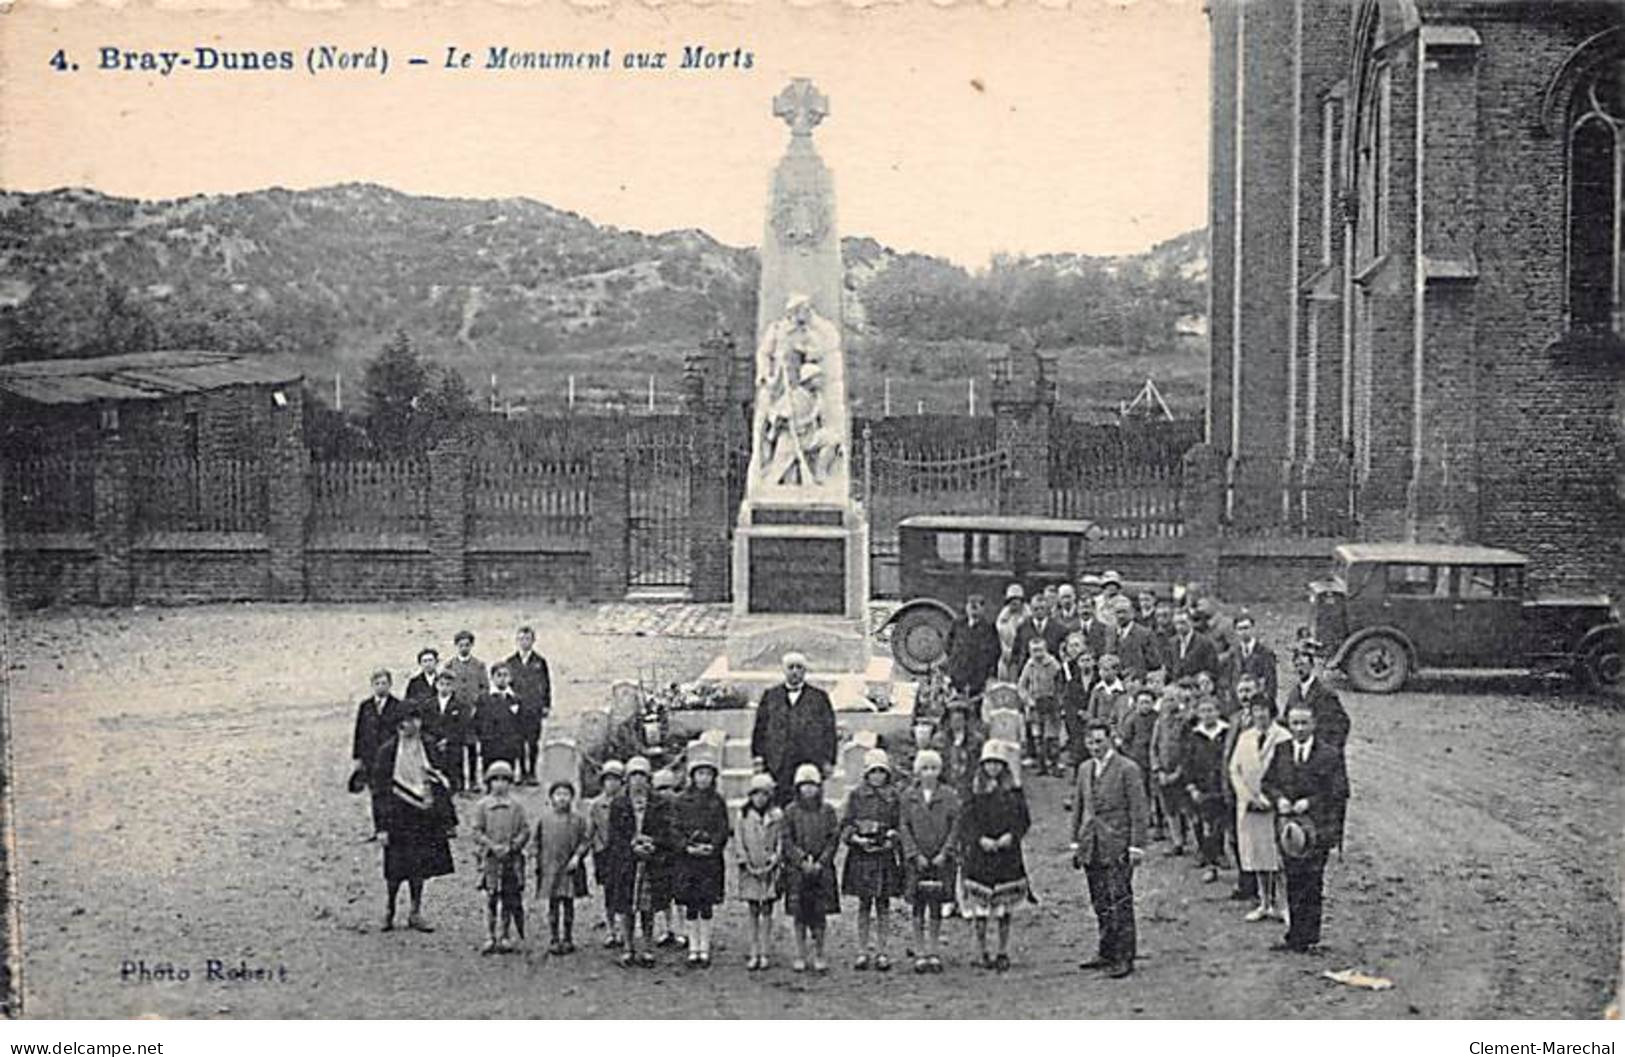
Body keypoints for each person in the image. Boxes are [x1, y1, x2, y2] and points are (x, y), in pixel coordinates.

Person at [1262, 706, 1349, 953]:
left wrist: (1310, 802)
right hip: (1288, 828)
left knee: (1312, 881)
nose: (1299, 728)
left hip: (1317, 827)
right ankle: (1294, 935)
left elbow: (1339, 791)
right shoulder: (1282, 751)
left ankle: (1310, 936)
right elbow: (1268, 783)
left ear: (1314, 725)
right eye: (1295, 723)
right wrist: (1278, 799)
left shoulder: (1329, 755)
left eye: (1304, 723)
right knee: (1292, 879)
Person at [1071, 719, 1149, 979]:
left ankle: (1125, 956)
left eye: (1100, 741)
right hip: (1091, 843)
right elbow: (1079, 807)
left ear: (1111, 739)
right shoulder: (1084, 769)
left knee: (1120, 900)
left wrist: (1137, 845)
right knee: (1099, 900)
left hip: (1118, 843)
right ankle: (1106, 950)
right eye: (1091, 742)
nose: (1095, 747)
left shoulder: (1128, 769)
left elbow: (1139, 810)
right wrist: (1075, 840)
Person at [372, 703, 455, 933]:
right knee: (395, 869)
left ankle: (415, 911)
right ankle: (389, 909)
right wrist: (381, 827)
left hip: (423, 815)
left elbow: (441, 776)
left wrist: (446, 816)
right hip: (397, 816)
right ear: (400, 723)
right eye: (409, 720)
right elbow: (379, 791)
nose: (414, 725)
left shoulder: (427, 745)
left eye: (417, 720)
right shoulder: (388, 751)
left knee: (420, 866)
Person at [959, 740, 1031, 972]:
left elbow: (1023, 819)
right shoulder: (974, 792)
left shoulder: (1014, 792)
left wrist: (1012, 836)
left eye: (997, 764)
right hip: (981, 855)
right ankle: (981, 949)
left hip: (1006, 855)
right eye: (989, 764)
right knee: (980, 909)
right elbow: (966, 821)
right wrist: (979, 839)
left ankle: (1002, 949)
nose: (993, 768)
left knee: (1003, 909)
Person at [1228, 682, 1291, 923]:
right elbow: (1235, 770)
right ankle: (1264, 902)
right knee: (1258, 857)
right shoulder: (1245, 737)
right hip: (1251, 805)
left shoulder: (1283, 737)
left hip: (1275, 806)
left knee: (1279, 859)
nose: (1260, 715)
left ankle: (1283, 905)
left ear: (1271, 712)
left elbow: (1288, 773)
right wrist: (1248, 797)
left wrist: (1270, 799)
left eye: (1264, 710)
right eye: (1256, 711)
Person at [604, 756, 670, 968]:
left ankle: (648, 947)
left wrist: (653, 843)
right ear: (627, 780)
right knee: (626, 907)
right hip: (626, 862)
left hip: (651, 862)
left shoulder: (659, 803)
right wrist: (632, 845)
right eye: (634, 776)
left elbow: (665, 831)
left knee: (647, 907)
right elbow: (614, 835)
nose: (638, 781)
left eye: (642, 776)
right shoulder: (619, 804)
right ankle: (628, 947)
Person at [841, 748, 902, 971]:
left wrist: (892, 839)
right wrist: (856, 839)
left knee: (883, 904)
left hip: (883, 857)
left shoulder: (894, 797)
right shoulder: (857, 796)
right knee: (864, 904)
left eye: (881, 771)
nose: (877, 776)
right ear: (866, 774)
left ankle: (882, 950)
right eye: (873, 771)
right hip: (862, 856)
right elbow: (846, 824)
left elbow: (900, 825)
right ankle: (862, 949)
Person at [899, 748, 960, 974]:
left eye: (933, 768)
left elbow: (955, 825)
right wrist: (914, 854)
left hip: (940, 858)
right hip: (918, 860)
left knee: (936, 904)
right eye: (924, 768)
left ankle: (934, 950)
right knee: (917, 905)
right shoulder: (908, 796)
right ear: (917, 771)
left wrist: (945, 852)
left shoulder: (949, 795)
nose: (929, 773)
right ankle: (920, 949)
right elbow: (903, 826)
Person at [751, 652, 837, 805]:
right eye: (791, 667)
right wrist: (758, 755)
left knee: (809, 803)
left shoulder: (819, 697)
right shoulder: (771, 696)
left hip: (809, 759)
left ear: (805, 671)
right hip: (778, 760)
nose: (795, 671)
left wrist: (829, 760)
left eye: (799, 667)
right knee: (779, 802)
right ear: (784, 670)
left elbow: (829, 730)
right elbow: (760, 727)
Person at [670, 750, 731, 967]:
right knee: (690, 904)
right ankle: (692, 947)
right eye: (699, 774)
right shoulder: (681, 801)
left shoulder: (718, 802)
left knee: (706, 904)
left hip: (710, 861)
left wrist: (712, 846)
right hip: (688, 861)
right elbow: (674, 829)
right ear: (692, 776)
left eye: (708, 774)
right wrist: (687, 847)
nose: (703, 778)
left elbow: (723, 829)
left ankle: (704, 947)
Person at [782, 763, 841, 974]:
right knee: (799, 915)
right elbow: (786, 840)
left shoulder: (828, 811)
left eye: (812, 785)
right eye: (804, 785)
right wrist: (800, 861)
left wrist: (821, 862)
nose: (808, 790)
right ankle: (800, 953)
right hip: (798, 871)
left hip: (821, 871)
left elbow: (833, 840)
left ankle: (819, 953)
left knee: (819, 915)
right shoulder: (790, 811)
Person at [470, 760, 529, 953]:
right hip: (491, 859)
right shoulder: (483, 806)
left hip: (511, 859)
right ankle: (490, 934)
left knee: (508, 896)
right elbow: (477, 831)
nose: (500, 784)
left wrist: (513, 846)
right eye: (495, 780)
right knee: (491, 897)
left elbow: (524, 830)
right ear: (489, 782)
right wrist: (491, 845)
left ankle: (504, 934)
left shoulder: (516, 807)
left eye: (504, 780)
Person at [535, 778, 590, 955]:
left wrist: (577, 857)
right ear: (551, 798)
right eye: (558, 794)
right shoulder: (544, 820)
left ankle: (567, 937)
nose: (562, 798)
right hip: (550, 867)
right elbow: (535, 842)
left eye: (566, 794)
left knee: (568, 903)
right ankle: (554, 938)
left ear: (572, 798)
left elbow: (585, 840)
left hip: (570, 868)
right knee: (553, 904)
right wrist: (536, 859)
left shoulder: (578, 820)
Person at [737, 773, 784, 971]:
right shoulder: (743, 815)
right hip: (750, 869)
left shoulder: (777, 815)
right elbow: (739, 841)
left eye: (764, 794)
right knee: (753, 910)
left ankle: (765, 951)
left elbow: (780, 840)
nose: (760, 798)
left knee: (767, 910)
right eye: (756, 794)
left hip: (769, 869)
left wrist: (774, 860)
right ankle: (753, 950)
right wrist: (746, 862)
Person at [1182, 696, 1232, 883]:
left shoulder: (1225, 733)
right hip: (1202, 788)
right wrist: (1191, 786)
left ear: (1217, 712)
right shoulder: (1194, 736)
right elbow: (1187, 763)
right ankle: (1209, 861)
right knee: (1205, 826)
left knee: (1222, 824)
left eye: (1211, 710)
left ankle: (1221, 854)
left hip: (1222, 787)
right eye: (1203, 711)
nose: (1207, 715)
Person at [352, 669, 405, 840]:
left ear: (390, 684)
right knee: (376, 794)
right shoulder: (365, 706)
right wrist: (358, 757)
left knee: (392, 793)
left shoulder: (397, 705)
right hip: (370, 757)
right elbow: (359, 732)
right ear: (372, 686)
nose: (381, 687)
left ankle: (394, 828)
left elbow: (401, 731)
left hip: (391, 757)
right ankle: (379, 828)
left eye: (384, 683)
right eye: (377, 683)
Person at [1282, 640, 1351, 759]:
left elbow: (1343, 723)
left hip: (1321, 751)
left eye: (1303, 665)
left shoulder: (1325, 693)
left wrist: (1332, 749)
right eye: (1297, 665)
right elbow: (1287, 720)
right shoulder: (1294, 694)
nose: (1300, 669)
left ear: (1311, 665)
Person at [505, 626, 552, 786]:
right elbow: (506, 686)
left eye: (528, 639)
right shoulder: (510, 662)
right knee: (517, 742)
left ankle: (532, 772)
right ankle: (521, 772)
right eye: (522, 639)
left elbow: (546, 685)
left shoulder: (540, 662)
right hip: (517, 709)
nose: (525, 642)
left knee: (533, 742)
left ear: (533, 641)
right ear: (517, 641)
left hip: (534, 708)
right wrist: (510, 705)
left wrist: (546, 705)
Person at [444, 630, 489, 792]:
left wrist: (478, 707)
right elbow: (446, 687)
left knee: (472, 747)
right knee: (456, 748)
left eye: (467, 645)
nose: (464, 648)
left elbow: (484, 688)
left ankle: (473, 780)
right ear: (456, 646)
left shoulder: (479, 665)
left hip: (473, 713)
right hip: (456, 715)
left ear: (472, 646)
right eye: (461, 645)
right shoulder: (449, 666)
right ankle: (459, 782)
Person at [1151, 688, 1192, 855]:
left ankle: (1194, 841)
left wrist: (1178, 772)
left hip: (1180, 773)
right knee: (1170, 808)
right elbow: (1153, 748)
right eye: (1166, 700)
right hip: (1163, 772)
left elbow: (1189, 750)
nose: (1169, 704)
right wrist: (1158, 769)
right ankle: (1177, 842)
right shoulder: (1159, 723)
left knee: (1186, 808)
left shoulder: (1185, 723)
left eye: (1173, 700)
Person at [588, 760, 625, 946]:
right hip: (604, 853)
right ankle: (611, 929)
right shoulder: (596, 805)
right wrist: (598, 847)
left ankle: (624, 929)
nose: (612, 783)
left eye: (616, 779)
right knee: (608, 891)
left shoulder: (626, 803)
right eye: (608, 779)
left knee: (624, 890)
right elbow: (591, 830)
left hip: (623, 853)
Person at [1016, 634, 1064, 775]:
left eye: (1040, 650)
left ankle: (1054, 764)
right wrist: (1027, 700)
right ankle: (1041, 765)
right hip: (1035, 705)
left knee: (1052, 736)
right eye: (1034, 650)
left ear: (1046, 649)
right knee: (1038, 737)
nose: (1037, 654)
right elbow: (1021, 686)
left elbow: (1060, 685)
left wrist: (1058, 701)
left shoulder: (1054, 665)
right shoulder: (1029, 666)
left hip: (1051, 703)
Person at [423, 669, 472, 793]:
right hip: (434, 745)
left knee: (454, 771)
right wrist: (434, 740)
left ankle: (457, 790)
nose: (444, 688)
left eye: (448, 684)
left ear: (453, 686)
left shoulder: (461, 705)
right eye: (441, 684)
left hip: (453, 745)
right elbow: (425, 726)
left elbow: (462, 726)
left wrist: (448, 740)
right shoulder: (428, 705)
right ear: (436, 685)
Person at [944, 593, 1002, 698]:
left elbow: (995, 653)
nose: (973, 610)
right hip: (958, 677)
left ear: (983, 609)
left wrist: (990, 676)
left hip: (978, 679)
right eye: (971, 607)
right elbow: (948, 646)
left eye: (977, 607)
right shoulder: (958, 624)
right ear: (966, 608)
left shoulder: (989, 629)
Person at [649, 769, 682, 948]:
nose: (665, 793)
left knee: (680, 896)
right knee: (662, 896)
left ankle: (681, 930)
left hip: (679, 856)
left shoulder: (681, 806)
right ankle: (666, 930)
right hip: (660, 856)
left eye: (668, 788)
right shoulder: (653, 809)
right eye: (660, 789)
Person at [476, 663, 525, 776]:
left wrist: (516, 739)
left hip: (509, 746)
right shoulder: (484, 698)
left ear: (510, 678)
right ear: (492, 678)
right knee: (489, 775)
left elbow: (520, 723)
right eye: (499, 675)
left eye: (505, 675)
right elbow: (478, 721)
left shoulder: (515, 699)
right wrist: (484, 738)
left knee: (507, 775)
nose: (502, 679)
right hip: (490, 745)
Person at [933, 698, 985, 803]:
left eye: (960, 719)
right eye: (953, 719)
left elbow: (981, 764)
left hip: (970, 787)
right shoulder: (939, 740)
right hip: (946, 786)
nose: (957, 723)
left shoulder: (976, 740)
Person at [1057, 634, 1095, 773]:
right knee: (1077, 746)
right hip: (1076, 718)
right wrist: (1077, 712)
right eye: (1082, 661)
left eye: (1088, 660)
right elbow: (1068, 700)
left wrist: (1090, 712)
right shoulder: (1073, 681)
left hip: (1093, 716)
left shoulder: (1097, 680)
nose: (1085, 663)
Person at [1230, 612, 1278, 711]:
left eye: (1247, 628)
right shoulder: (1233, 654)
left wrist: (1266, 703)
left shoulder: (1265, 653)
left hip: (1260, 704)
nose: (1244, 632)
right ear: (1235, 631)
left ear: (1253, 629)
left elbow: (1271, 682)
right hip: (1240, 705)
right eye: (1240, 629)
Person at [1111, 596, 1162, 680]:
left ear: (1132, 612)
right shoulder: (1110, 633)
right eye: (1118, 612)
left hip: (1137, 681)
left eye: (1124, 612)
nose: (1121, 616)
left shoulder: (1145, 633)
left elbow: (1154, 663)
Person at [1167, 609, 1220, 683]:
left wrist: (1195, 679)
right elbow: (1168, 668)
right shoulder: (1171, 643)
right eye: (1176, 624)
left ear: (1191, 622)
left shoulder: (1204, 642)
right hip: (1175, 686)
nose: (1179, 627)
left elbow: (1213, 670)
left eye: (1183, 623)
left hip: (1197, 686)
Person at [994, 584, 1031, 683]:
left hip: (1023, 659)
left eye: (1017, 599)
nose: (1014, 602)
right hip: (1006, 658)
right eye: (1011, 599)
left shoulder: (1028, 617)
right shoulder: (1002, 619)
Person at [1087, 654, 1127, 728]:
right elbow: (1091, 714)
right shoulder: (1097, 690)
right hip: (1100, 729)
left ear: (1116, 671)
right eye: (1100, 669)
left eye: (1106, 670)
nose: (1102, 673)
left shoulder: (1124, 689)